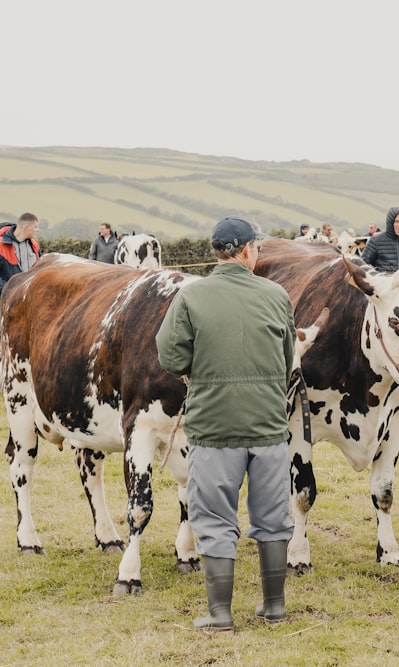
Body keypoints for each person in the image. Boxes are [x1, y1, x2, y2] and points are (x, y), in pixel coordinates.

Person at [156, 217, 296, 634]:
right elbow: (287, 356)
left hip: (213, 427)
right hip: (270, 425)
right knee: (273, 516)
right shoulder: (277, 295)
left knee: (214, 518)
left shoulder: (191, 296)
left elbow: (170, 356)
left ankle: (220, 614)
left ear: (218, 251)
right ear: (247, 249)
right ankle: (274, 607)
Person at [0, 213, 41, 301]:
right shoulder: (0, 247)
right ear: (26, 227)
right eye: (35, 227)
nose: (37, 230)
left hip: (29, 299)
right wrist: (8, 289)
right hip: (5, 300)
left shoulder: (35, 245)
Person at [361, 207, 399, 272]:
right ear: (390, 222)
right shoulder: (375, 241)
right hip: (382, 281)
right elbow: (363, 266)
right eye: (396, 221)